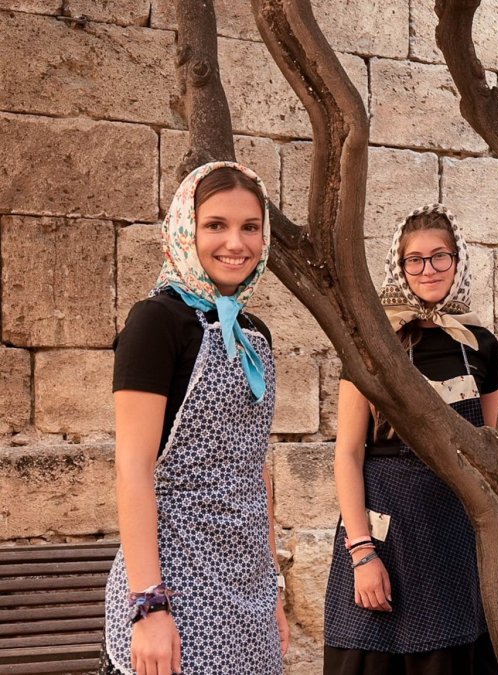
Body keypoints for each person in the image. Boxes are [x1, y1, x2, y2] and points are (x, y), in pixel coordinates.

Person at [100, 162, 288, 674]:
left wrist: (273, 587)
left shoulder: (256, 335)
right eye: (216, 225)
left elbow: (255, 470)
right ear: (186, 228)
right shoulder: (155, 323)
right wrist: (149, 606)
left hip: (248, 592)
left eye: (250, 227)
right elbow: (134, 470)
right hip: (175, 586)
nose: (236, 242)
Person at [323, 204, 498, 675]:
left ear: (457, 261)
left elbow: (492, 451)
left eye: (440, 256)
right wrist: (362, 552)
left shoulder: (480, 344)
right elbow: (347, 454)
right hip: (384, 530)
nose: (428, 269)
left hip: (454, 540)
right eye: (415, 259)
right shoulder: (372, 342)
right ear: (399, 267)